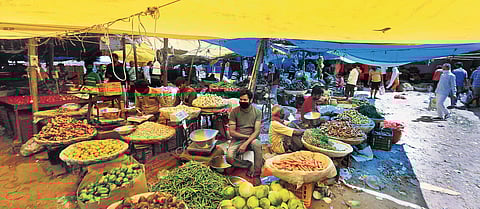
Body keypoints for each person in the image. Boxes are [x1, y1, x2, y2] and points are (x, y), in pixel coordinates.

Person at [227, 89, 263, 186]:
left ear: (250, 100)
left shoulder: (257, 112)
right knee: (229, 157)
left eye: (245, 100)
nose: (242, 102)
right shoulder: (234, 112)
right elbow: (232, 132)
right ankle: (247, 164)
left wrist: (246, 143)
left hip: (252, 139)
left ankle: (256, 174)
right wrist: (245, 137)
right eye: (241, 100)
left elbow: (257, 131)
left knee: (257, 144)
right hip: (238, 139)